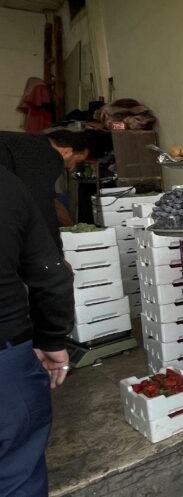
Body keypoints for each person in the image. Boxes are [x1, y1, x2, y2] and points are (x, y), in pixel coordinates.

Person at [0, 166, 75, 495]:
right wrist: (50, 337)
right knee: (16, 474)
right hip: (6, 353)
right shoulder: (6, 183)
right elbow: (49, 271)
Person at [0, 129, 89, 246]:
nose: (72, 168)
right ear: (67, 152)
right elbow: (41, 205)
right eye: (77, 162)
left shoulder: (28, 144)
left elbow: (49, 200)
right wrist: (55, 251)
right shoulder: (49, 155)